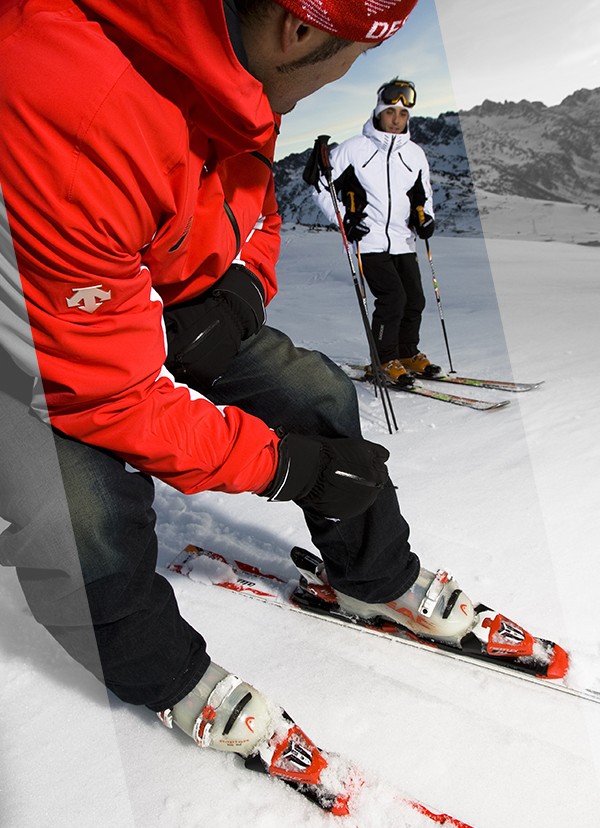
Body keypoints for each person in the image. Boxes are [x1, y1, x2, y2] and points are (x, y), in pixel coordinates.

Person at [0, 0, 474, 772]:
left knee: (316, 392)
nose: (348, 78)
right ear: (300, 29)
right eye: (351, 55)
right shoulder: (66, 108)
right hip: (30, 346)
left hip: (145, 298)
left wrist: (241, 294)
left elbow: (254, 215)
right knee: (79, 512)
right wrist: (286, 466)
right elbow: (109, 395)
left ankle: (374, 576)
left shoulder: (241, 73)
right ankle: (165, 676)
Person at [313, 77, 442, 387]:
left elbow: (423, 194)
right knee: (392, 299)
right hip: (368, 242)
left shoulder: (414, 154)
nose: (396, 120)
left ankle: (407, 353)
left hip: (403, 241)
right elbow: (320, 185)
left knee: (415, 300)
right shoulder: (356, 149)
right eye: (390, 113)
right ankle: (383, 361)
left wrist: (426, 219)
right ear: (378, 113)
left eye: (403, 115)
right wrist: (345, 219)